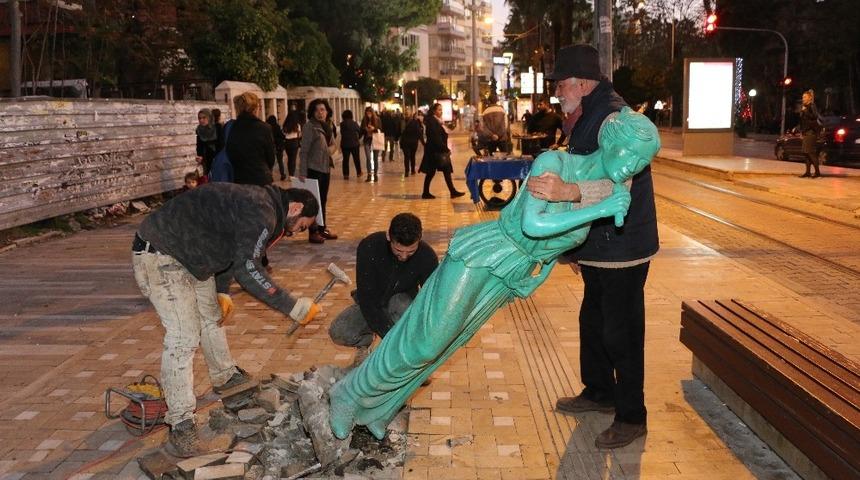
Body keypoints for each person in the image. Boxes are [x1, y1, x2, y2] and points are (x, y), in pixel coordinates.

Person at [329, 107, 661, 442]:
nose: (635, 165)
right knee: (425, 340)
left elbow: (553, 247)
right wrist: (600, 209)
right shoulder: (555, 164)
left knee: (447, 344)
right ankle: (348, 393)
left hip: (511, 273)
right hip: (486, 254)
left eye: (643, 160)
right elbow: (533, 225)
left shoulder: (598, 189)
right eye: (632, 153)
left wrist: (536, 277)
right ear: (610, 143)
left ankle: (379, 408)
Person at [527, 44, 659, 449]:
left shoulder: (612, 119)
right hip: (601, 243)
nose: (558, 93)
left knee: (622, 331)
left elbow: (620, 181)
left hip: (623, 246)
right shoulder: (585, 114)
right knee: (593, 321)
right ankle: (599, 391)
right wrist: (575, 248)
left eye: (562, 85)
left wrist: (566, 190)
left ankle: (632, 415)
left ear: (583, 84)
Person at [132, 184, 320, 457]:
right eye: (301, 226)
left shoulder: (262, 205)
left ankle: (225, 377)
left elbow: (233, 249)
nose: (294, 233)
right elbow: (247, 268)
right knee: (183, 337)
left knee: (211, 318)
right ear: (296, 208)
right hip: (161, 253)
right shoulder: (263, 211)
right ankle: (181, 423)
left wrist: (221, 290)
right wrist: (292, 306)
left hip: (192, 255)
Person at [328, 213, 438, 361]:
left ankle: (412, 358)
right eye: (398, 250)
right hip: (372, 302)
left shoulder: (427, 256)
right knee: (339, 332)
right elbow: (367, 300)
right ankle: (365, 343)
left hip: (402, 307)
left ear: (420, 239)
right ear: (388, 236)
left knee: (400, 302)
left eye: (411, 251)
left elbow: (430, 301)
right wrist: (390, 339)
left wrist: (426, 345)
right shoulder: (370, 247)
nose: (404, 256)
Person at [299, 98, 338, 244]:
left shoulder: (328, 126)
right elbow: (304, 151)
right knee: (313, 202)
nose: (320, 113)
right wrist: (302, 171)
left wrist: (329, 150)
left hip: (325, 168)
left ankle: (322, 228)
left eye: (322, 109)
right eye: (316, 110)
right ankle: (313, 231)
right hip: (313, 169)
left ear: (327, 111)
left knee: (323, 200)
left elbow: (334, 145)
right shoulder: (310, 127)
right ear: (312, 112)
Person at [226, 92, 275, 186]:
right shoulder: (264, 128)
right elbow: (271, 158)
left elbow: (230, 152)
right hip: (261, 179)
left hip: (240, 179)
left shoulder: (232, 127)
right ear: (255, 109)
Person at [419, 103, 466, 199]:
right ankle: (426, 193)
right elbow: (435, 137)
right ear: (434, 111)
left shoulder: (437, 121)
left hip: (437, 150)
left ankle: (451, 191)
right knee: (432, 172)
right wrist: (445, 148)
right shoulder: (432, 121)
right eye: (439, 110)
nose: (441, 112)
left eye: (441, 110)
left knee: (444, 170)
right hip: (435, 151)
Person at [799, 89, 823, 178]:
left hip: (811, 132)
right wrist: (799, 129)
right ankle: (807, 172)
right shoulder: (804, 106)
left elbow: (815, 116)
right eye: (802, 97)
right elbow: (803, 121)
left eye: (804, 97)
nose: (803, 99)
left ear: (809, 98)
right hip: (806, 132)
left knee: (811, 153)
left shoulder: (811, 105)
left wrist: (805, 111)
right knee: (806, 153)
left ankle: (817, 173)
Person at [359, 107, 382, 182]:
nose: (368, 114)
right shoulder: (364, 120)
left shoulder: (377, 119)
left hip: (376, 140)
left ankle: (375, 175)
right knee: (368, 158)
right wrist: (364, 129)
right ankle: (369, 175)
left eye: (370, 113)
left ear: (372, 113)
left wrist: (373, 129)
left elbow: (380, 129)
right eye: (367, 113)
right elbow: (361, 131)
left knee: (375, 158)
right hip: (367, 141)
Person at [400, 111, 425, 177]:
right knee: (411, 156)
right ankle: (412, 170)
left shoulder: (403, 122)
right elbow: (419, 133)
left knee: (407, 157)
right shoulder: (415, 122)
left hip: (406, 142)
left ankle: (407, 171)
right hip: (412, 143)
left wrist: (396, 138)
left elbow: (399, 131)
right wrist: (423, 143)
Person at [195, 108, 219, 177]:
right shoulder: (199, 129)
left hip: (218, 158)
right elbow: (199, 145)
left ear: (209, 117)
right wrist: (199, 156)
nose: (201, 120)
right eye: (199, 118)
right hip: (206, 160)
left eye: (204, 117)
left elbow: (221, 144)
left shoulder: (217, 127)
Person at [340, 109, 362, 179]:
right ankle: (359, 173)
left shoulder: (341, 124)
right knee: (356, 159)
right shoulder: (354, 123)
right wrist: (358, 138)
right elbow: (360, 131)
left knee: (345, 160)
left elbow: (342, 133)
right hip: (354, 144)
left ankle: (346, 175)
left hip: (344, 144)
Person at [283, 106, 303, 177]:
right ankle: (292, 175)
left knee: (289, 159)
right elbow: (300, 135)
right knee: (293, 159)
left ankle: (289, 174)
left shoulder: (285, 124)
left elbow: (284, 133)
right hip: (294, 142)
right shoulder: (297, 125)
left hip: (287, 143)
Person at [267, 115, 288, 181]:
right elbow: (282, 136)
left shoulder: (267, 127)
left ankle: (270, 176)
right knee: (280, 161)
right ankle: (282, 175)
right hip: (279, 147)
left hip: (271, 147)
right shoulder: (277, 127)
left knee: (270, 162)